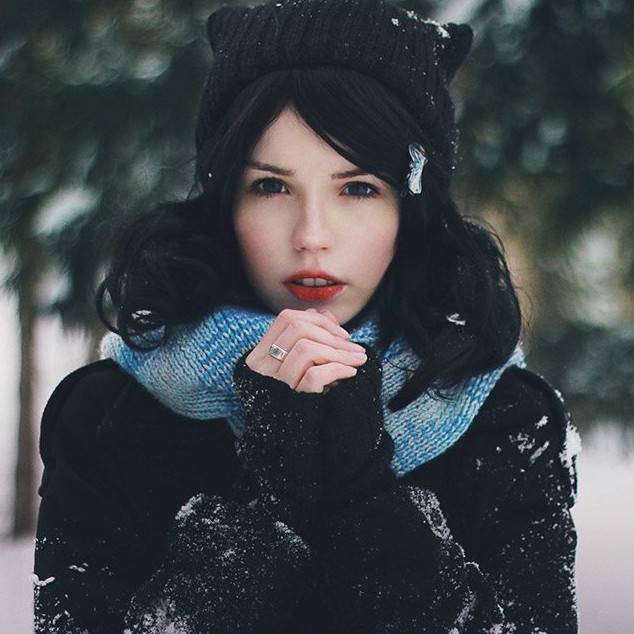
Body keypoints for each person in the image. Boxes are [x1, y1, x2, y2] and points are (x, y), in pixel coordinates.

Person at [32, 0, 581, 632]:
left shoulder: (508, 420)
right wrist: (274, 485)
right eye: (271, 186)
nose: (311, 235)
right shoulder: (107, 415)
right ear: (224, 199)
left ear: (411, 207)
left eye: (359, 188)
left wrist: (358, 479)